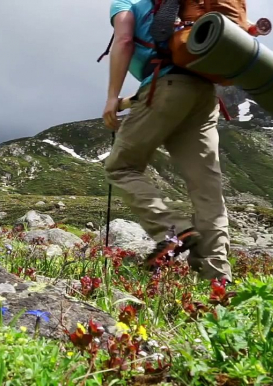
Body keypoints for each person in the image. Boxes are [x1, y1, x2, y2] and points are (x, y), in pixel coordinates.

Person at [100, 0, 233, 283]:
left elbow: (123, 40)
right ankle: (218, 280)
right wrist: (128, 101)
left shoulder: (126, 3)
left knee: (121, 167)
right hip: (205, 93)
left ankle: (171, 229)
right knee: (207, 189)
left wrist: (112, 97)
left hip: (166, 84)